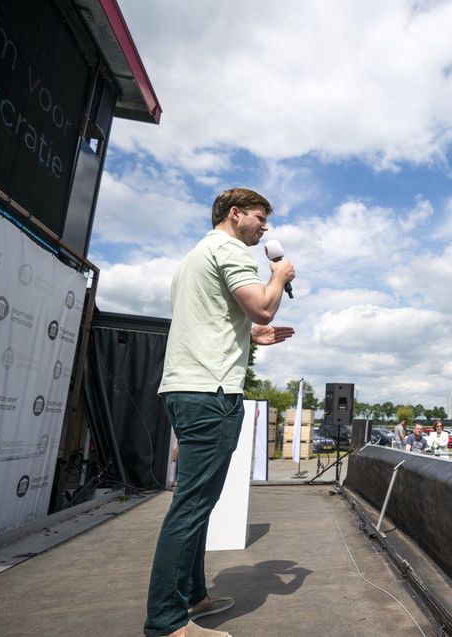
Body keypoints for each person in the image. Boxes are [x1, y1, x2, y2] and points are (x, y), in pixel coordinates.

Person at [145, 188, 296, 637]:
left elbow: (211, 321)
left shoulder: (198, 254)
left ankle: (193, 597)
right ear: (235, 215)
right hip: (210, 394)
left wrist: (252, 337)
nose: (264, 227)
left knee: (199, 503)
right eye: (259, 217)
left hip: (188, 388)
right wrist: (280, 275)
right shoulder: (231, 249)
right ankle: (167, 624)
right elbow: (263, 305)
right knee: (191, 507)